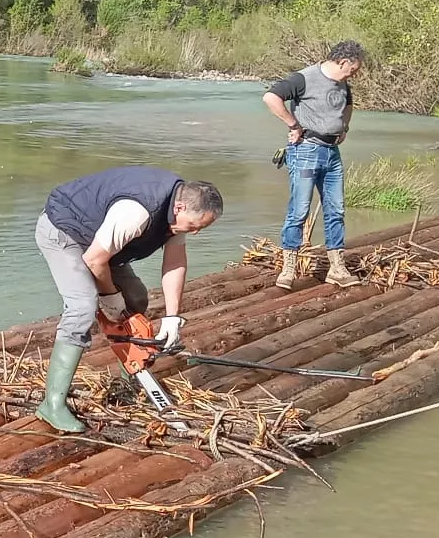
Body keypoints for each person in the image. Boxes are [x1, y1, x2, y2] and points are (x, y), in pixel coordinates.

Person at [33, 167, 225, 433]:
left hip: (102, 242)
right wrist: (110, 298)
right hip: (66, 232)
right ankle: (51, 404)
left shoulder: (178, 210)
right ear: (180, 207)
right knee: (83, 308)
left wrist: (172, 318)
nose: (195, 233)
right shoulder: (136, 212)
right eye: (194, 226)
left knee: (136, 298)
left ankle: (131, 380)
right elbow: (93, 259)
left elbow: (175, 262)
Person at [264, 40, 365, 290]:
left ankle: (337, 268)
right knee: (299, 210)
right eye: (353, 69)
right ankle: (289, 269)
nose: (354, 73)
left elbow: (349, 104)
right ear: (342, 62)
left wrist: (345, 127)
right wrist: (293, 125)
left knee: (336, 210)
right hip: (307, 149)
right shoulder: (304, 78)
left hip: (332, 152)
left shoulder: (343, 84)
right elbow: (270, 97)